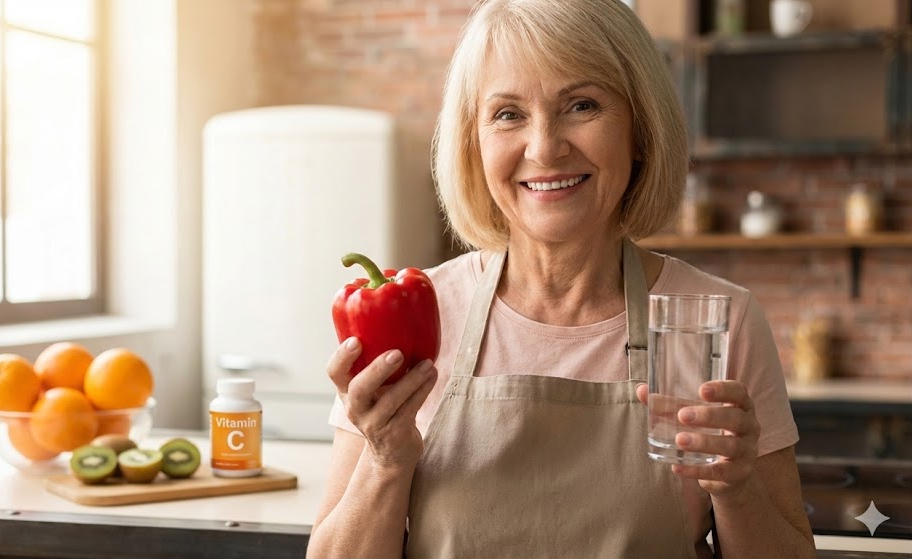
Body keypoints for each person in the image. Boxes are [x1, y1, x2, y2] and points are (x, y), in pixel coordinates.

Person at [307, 0, 816, 557]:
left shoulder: (718, 321)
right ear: (473, 144)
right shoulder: (418, 315)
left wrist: (738, 490)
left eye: (581, 105)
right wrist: (385, 459)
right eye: (507, 114)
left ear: (640, 131)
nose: (545, 147)